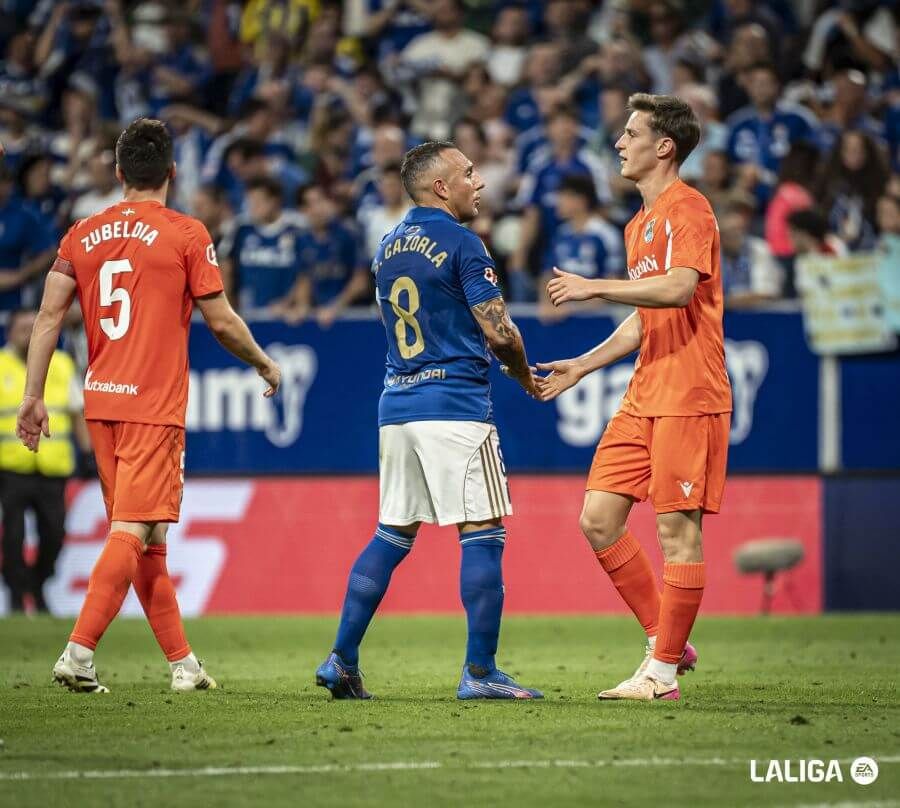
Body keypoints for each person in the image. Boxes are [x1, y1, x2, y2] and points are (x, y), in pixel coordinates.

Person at [15, 118, 281, 693]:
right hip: (152, 406)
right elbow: (221, 320)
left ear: (117, 174)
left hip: (100, 401)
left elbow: (46, 318)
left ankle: (183, 664)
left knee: (149, 538)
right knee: (135, 527)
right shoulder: (187, 234)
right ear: (172, 173)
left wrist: (34, 395)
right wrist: (261, 361)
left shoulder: (80, 234)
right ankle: (79, 652)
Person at [315, 141, 543, 700]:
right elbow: (499, 331)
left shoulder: (388, 246)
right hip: (455, 406)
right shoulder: (465, 243)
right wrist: (523, 375)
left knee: (392, 532)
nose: (479, 181)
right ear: (441, 186)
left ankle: (341, 658)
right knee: (484, 532)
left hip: (396, 404)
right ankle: (481, 674)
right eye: (468, 172)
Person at [535, 94, 732, 701]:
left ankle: (663, 673)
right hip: (645, 392)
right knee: (597, 519)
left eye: (629, 133)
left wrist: (595, 287)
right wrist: (583, 367)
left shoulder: (688, 209)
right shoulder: (638, 224)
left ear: (663, 146)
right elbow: (647, 316)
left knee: (677, 529)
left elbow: (675, 290)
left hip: (690, 391)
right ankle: (666, 636)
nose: (618, 143)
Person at [0, 309, 89, 613]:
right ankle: (15, 594)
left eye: (33, 328)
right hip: (10, 468)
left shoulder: (62, 365)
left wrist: (88, 453)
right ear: (10, 333)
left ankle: (37, 584)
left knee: (55, 534)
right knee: (12, 535)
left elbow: (77, 413)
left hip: (53, 468)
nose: (28, 334)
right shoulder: (0, 366)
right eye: (22, 328)